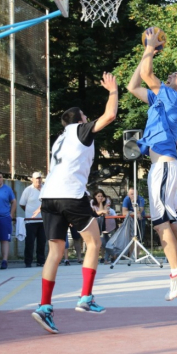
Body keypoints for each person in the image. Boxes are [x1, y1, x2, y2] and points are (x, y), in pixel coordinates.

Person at [31, 72, 118, 334]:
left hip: (48, 196)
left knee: (55, 252)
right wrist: (113, 91)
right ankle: (85, 298)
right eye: (84, 116)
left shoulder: (59, 139)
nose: (87, 119)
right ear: (80, 119)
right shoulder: (79, 130)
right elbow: (109, 116)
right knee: (94, 242)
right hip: (69, 194)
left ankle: (45, 306)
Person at [127, 27, 177, 302]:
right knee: (170, 220)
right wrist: (145, 52)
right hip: (164, 167)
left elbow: (148, 75)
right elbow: (133, 86)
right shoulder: (161, 99)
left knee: (161, 221)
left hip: (163, 166)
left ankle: (176, 273)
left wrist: (150, 47)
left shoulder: (174, 97)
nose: (171, 75)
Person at [20, 172, 46, 268]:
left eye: (39, 178)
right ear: (32, 179)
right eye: (36, 178)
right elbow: (22, 204)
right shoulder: (28, 190)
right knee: (30, 242)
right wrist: (30, 213)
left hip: (43, 221)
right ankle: (28, 262)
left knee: (42, 242)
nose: (38, 180)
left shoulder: (45, 189)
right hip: (31, 222)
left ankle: (41, 261)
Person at [91, 189, 112, 263]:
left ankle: (105, 258)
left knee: (105, 241)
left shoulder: (107, 201)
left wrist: (101, 203)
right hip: (95, 223)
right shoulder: (92, 202)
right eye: (98, 196)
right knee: (97, 241)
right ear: (95, 197)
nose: (100, 198)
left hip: (105, 223)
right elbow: (96, 214)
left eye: (101, 196)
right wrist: (101, 210)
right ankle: (96, 257)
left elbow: (104, 213)